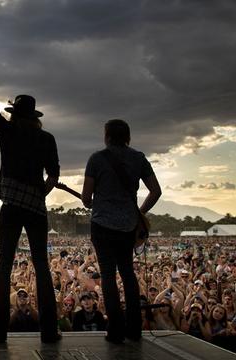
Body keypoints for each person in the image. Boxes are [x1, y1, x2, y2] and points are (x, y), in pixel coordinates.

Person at [0, 61, 61, 343]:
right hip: (36, 207)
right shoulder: (46, 138)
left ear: (15, 114)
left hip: (11, 205)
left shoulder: (8, 132)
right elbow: (54, 175)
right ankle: (50, 331)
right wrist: (40, 194)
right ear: (35, 116)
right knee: (41, 265)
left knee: (5, 264)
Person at [81, 119, 161, 343]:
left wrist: (94, 198)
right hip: (128, 226)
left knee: (107, 275)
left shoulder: (96, 159)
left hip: (102, 226)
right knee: (128, 273)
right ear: (128, 136)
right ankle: (135, 329)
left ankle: (115, 330)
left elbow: (86, 198)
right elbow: (155, 191)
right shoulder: (139, 158)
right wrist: (139, 213)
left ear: (106, 136)